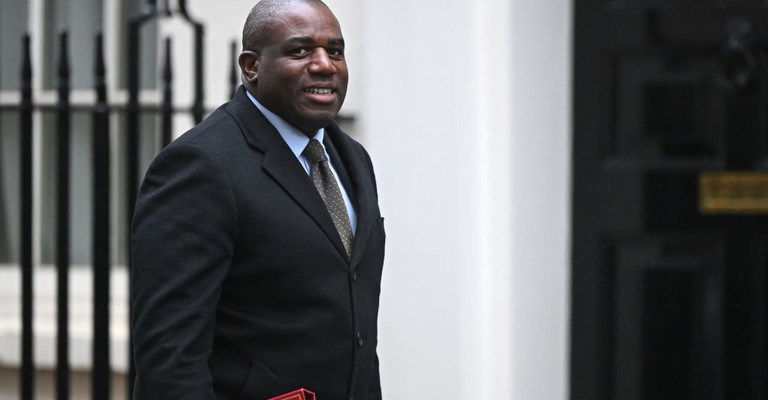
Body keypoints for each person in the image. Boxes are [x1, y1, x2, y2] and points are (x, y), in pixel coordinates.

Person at [130, 1, 385, 399]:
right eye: (300, 50)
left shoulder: (352, 158)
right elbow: (170, 356)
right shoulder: (200, 165)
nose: (324, 65)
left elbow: (357, 327)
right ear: (251, 66)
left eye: (335, 51)